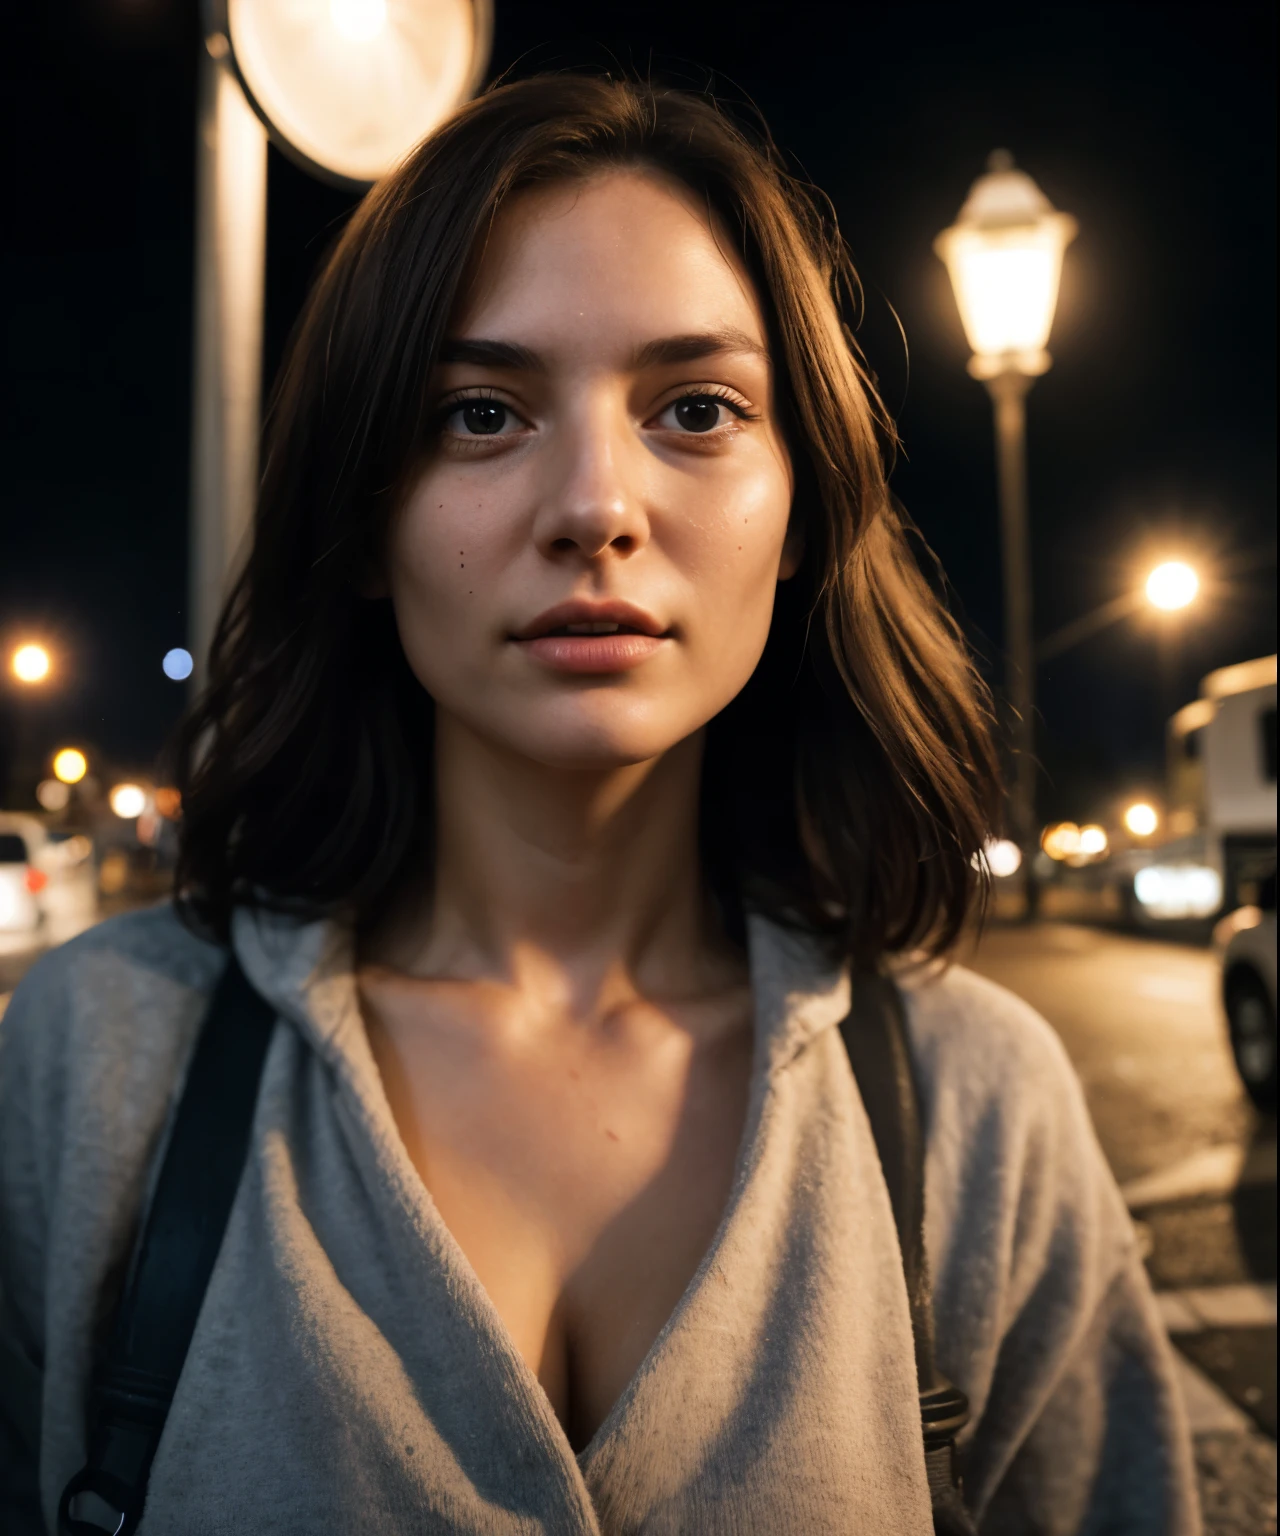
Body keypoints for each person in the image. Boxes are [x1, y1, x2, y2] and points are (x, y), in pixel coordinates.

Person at [0, 74, 1197, 1534]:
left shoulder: (976, 1103)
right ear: (361, 512)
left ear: (804, 503)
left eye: (696, 409)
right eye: (482, 413)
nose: (596, 505)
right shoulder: (94, 1064)